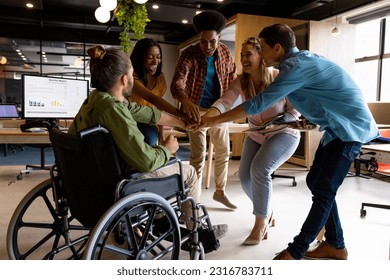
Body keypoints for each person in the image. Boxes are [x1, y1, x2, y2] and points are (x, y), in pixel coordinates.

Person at [199, 24, 379, 259]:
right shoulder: (295, 64)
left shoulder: (293, 68)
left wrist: (211, 121)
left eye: (261, 49)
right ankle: (335, 244)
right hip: (337, 128)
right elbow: (320, 97)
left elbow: (257, 104)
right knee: (316, 182)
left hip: (350, 128)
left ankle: (295, 251)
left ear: (277, 48)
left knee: (323, 189)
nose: (259, 54)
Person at [68, 45, 228, 237]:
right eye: (132, 74)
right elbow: (146, 161)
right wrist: (167, 148)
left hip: (86, 180)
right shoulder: (113, 110)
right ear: (124, 79)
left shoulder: (97, 99)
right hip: (117, 185)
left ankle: (160, 219)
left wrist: (182, 122)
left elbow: (147, 113)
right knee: (189, 172)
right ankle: (199, 232)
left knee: (163, 162)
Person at [204, 36, 301, 245]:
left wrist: (279, 121)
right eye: (241, 55)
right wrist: (208, 118)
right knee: (244, 177)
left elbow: (295, 112)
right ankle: (267, 210)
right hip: (257, 133)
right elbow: (225, 101)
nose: (243, 59)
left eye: (248, 54)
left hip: (283, 133)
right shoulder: (242, 81)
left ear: (260, 55)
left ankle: (260, 223)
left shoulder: (278, 77)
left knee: (259, 169)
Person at [170, 10, 237, 209]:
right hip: (195, 111)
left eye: (212, 41)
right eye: (203, 41)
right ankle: (193, 198)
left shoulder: (225, 52)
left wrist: (230, 105)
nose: (208, 46)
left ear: (219, 38)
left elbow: (233, 79)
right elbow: (177, 83)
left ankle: (220, 192)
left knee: (224, 152)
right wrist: (187, 102)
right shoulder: (189, 53)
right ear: (198, 38)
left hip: (218, 110)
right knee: (198, 156)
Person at [129, 38, 167, 146]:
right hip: (132, 119)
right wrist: (181, 116)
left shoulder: (160, 77)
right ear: (140, 57)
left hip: (151, 121)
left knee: (151, 140)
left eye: (158, 57)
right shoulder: (131, 76)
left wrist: (161, 133)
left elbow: (159, 106)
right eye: (150, 57)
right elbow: (154, 99)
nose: (155, 61)